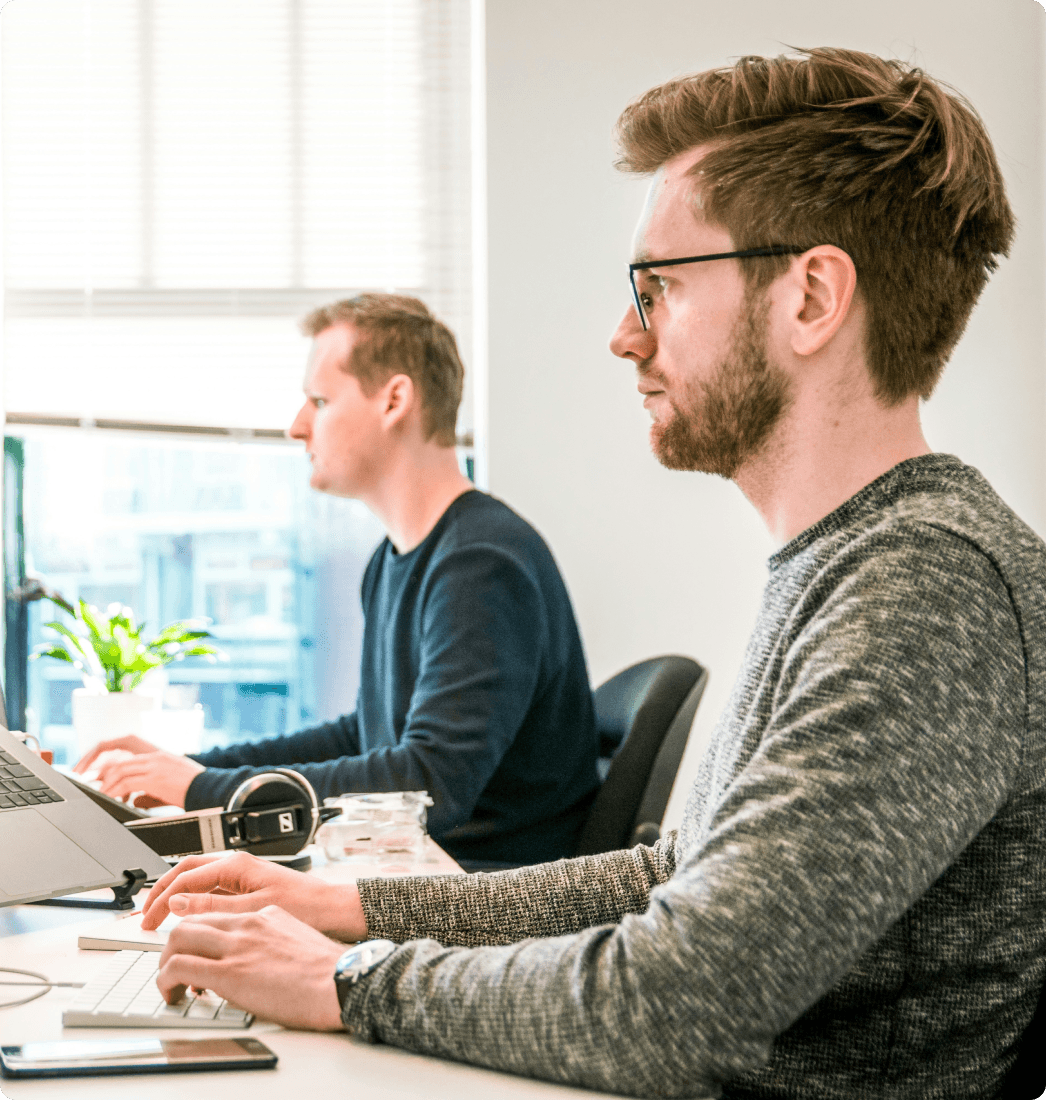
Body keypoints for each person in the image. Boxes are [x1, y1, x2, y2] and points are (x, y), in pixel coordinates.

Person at [137, 48, 1046, 1098]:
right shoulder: (846, 563)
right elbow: (669, 878)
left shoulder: (925, 587)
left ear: (809, 297)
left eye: (656, 287)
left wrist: (348, 977)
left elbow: (674, 997)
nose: (623, 335)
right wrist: (350, 909)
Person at [76, 293, 600, 868]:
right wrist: (193, 769)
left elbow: (429, 785)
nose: (296, 426)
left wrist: (203, 791)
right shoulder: (396, 559)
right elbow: (366, 736)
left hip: (481, 895)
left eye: (320, 401)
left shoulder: (482, 563)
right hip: (416, 870)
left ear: (394, 400)